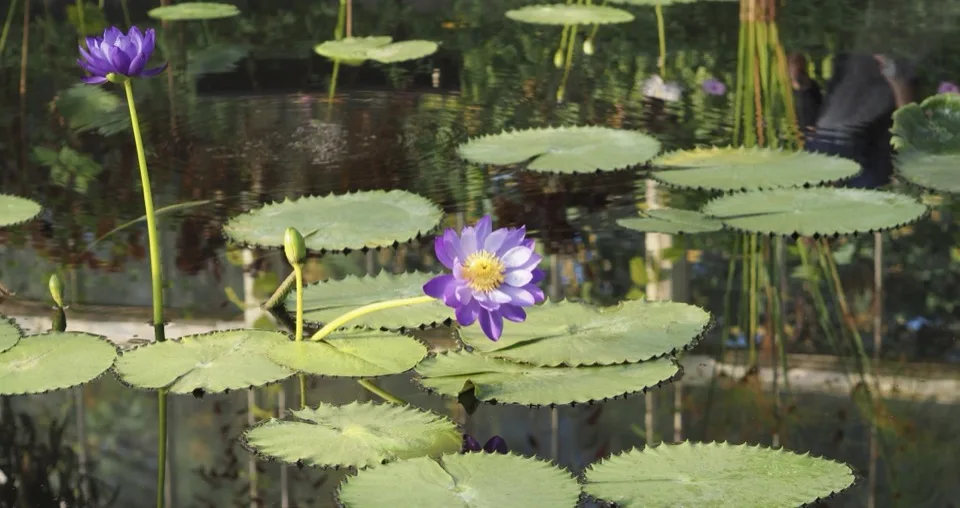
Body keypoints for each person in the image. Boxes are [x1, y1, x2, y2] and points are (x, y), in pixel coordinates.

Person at [790, 52, 917, 189]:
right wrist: (897, 80)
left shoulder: (814, 168)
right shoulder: (868, 180)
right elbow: (903, 137)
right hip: (883, 78)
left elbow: (811, 124)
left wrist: (801, 84)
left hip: (851, 64)